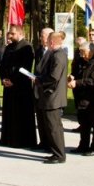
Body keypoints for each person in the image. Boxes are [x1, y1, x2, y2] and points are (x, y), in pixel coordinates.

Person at [0, 25, 36, 148]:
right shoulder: (9, 47)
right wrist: (3, 78)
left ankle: (22, 141)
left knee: (21, 114)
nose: (10, 36)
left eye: (12, 34)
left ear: (20, 33)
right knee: (9, 113)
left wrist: (13, 80)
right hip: (8, 85)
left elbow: (25, 67)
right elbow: (2, 65)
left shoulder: (27, 47)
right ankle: (8, 139)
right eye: (9, 33)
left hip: (21, 86)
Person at [34, 32, 67, 164]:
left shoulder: (58, 56)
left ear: (52, 42)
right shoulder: (56, 54)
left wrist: (39, 80)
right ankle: (56, 152)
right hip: (51, 95)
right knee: (53, 127)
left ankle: (59, 154)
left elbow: (54, 77)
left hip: (52, 96)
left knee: (54, 127)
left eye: (47, 41)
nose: (46, 43)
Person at [68, 42, 94, 156]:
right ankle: (83, 145)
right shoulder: (81, 61)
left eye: (84, 52)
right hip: (81, 96)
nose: (82, 55)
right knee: (83, 122)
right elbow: (77, 73)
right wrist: (72, 76)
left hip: (93, 97)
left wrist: (77, 82)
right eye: (80, 52)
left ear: (91, 51)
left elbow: (92, 80)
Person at [33, 27, 54, 150]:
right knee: (40, 117)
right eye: (41, 36)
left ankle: (51, 143)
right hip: (37, 86)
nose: (41, 38)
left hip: (48, 87)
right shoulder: (39, 50)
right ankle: (43, 141)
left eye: (43, 36)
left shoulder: (54, 52)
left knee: (48, 120)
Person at [70, 36, 88, 133]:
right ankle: (81, 124)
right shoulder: (77, 52)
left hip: (83, 82)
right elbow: (74, 64)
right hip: (75, 80)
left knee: (84, 106)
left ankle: (86, 125)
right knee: (78, 104)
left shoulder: (90, 56)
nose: (79, 48)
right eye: (78, 45)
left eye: (81, 45)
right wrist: (72, 75)